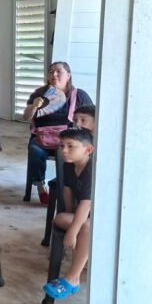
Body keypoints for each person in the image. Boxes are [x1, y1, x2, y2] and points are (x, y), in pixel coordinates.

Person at [23, 61, 93, 203]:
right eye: (50, 72)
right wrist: (34, 106)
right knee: (35, 151)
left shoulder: (79, 95)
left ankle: (68, 187)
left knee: (72, 153)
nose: (54, 74)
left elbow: (91, 116)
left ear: (68, 75)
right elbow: (26, 117)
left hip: (68, 139)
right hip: (42, 137)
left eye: (58, 71)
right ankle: (41, 187)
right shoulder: (39, 94)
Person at [43, 128, 94, 300]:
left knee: (86, 226)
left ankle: (73, 278)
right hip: (84, 214)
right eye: (62, 145)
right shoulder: (69, 165)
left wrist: (72, 233)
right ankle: (74, 274)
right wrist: (72, 219)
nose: (64, 150)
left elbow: (87, 204)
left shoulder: (91, 169)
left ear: (88, 150)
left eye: (71, 146)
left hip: (104, 217)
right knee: (60, 218)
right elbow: (67, 193)